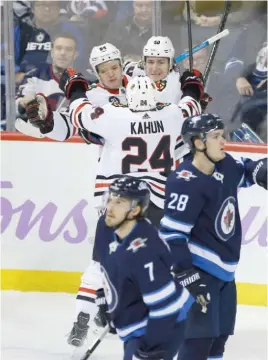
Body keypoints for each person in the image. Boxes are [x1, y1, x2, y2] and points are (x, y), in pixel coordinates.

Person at [24, 72, 203, 346]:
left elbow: (80, 113)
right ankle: (158, 318)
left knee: (100, 264)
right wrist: (192, 83)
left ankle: (84, 317)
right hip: (157, 205)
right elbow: (192, 103)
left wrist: (75, 88)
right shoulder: (172, 115)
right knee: (156, 263)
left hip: (119, 204)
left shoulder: (113, 116)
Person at [159, 113, 267, 360]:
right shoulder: (184, 181)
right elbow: (172, 236)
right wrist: (187, 275)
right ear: (198, 143)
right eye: (216, 137)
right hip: (200, 273)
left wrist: (262, 169)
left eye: (222, 136)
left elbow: (247, 172)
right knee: (197, 344)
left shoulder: (225, 165)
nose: (223, 142)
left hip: (225, 276)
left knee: (217, 343)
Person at [93, 176, 194, 360]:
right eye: (110, 198)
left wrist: (149, 348)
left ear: (135, 210)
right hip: (136, 323)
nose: (110, 207)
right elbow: (110, 265)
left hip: (162, 326)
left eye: (120, 202)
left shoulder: (146, 249)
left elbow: (166, 308)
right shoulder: (106, 226)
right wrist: (107, 295)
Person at [124, 36, 208, 111]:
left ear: (170, 64)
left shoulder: (183, 81)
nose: (154, 68)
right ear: (144, 63)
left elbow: (190, 105)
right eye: (150, 62)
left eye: (161, 62)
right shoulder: (132, 73)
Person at [16, 33, 78, 118]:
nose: (63, 53)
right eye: (58, 48)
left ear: (75, 55)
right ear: (52, 52)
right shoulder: (35, 76)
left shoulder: (85, 82)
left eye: (69, 49)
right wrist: (23, 103)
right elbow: (16, 107)